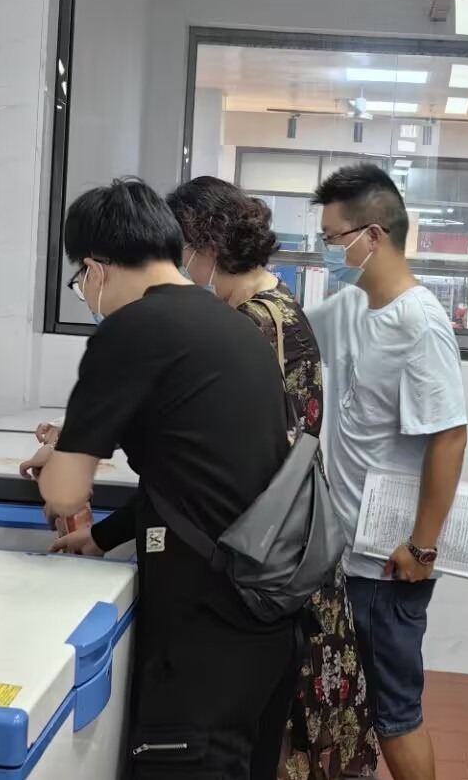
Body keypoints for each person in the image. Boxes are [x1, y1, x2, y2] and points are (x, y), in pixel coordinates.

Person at [37, 178, 299, 780]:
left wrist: (61, 460)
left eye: (80, 281)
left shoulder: (130, 331)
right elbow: (198, 474)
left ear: (96, 268)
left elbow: (64, 491)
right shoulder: (233, 325)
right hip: (264, 620)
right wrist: (102, 537)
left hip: (206, 629)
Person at [166, 176, 379, 780]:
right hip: (300, 533)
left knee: (283, 721)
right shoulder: (279, 305)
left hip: (275, 549)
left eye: (182, 248)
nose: (181, 264)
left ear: (206, 245)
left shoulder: (252, 325)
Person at [307, 165, 468, 780]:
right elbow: (282, 330)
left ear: (372, 236)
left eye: (333, 237)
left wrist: (421, 547)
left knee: (394, 715)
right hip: (344, 551)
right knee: (350, 702)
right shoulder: (350, 307)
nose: (328, 249)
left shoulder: (419, 323)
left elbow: (449, 437)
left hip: (389, 563)